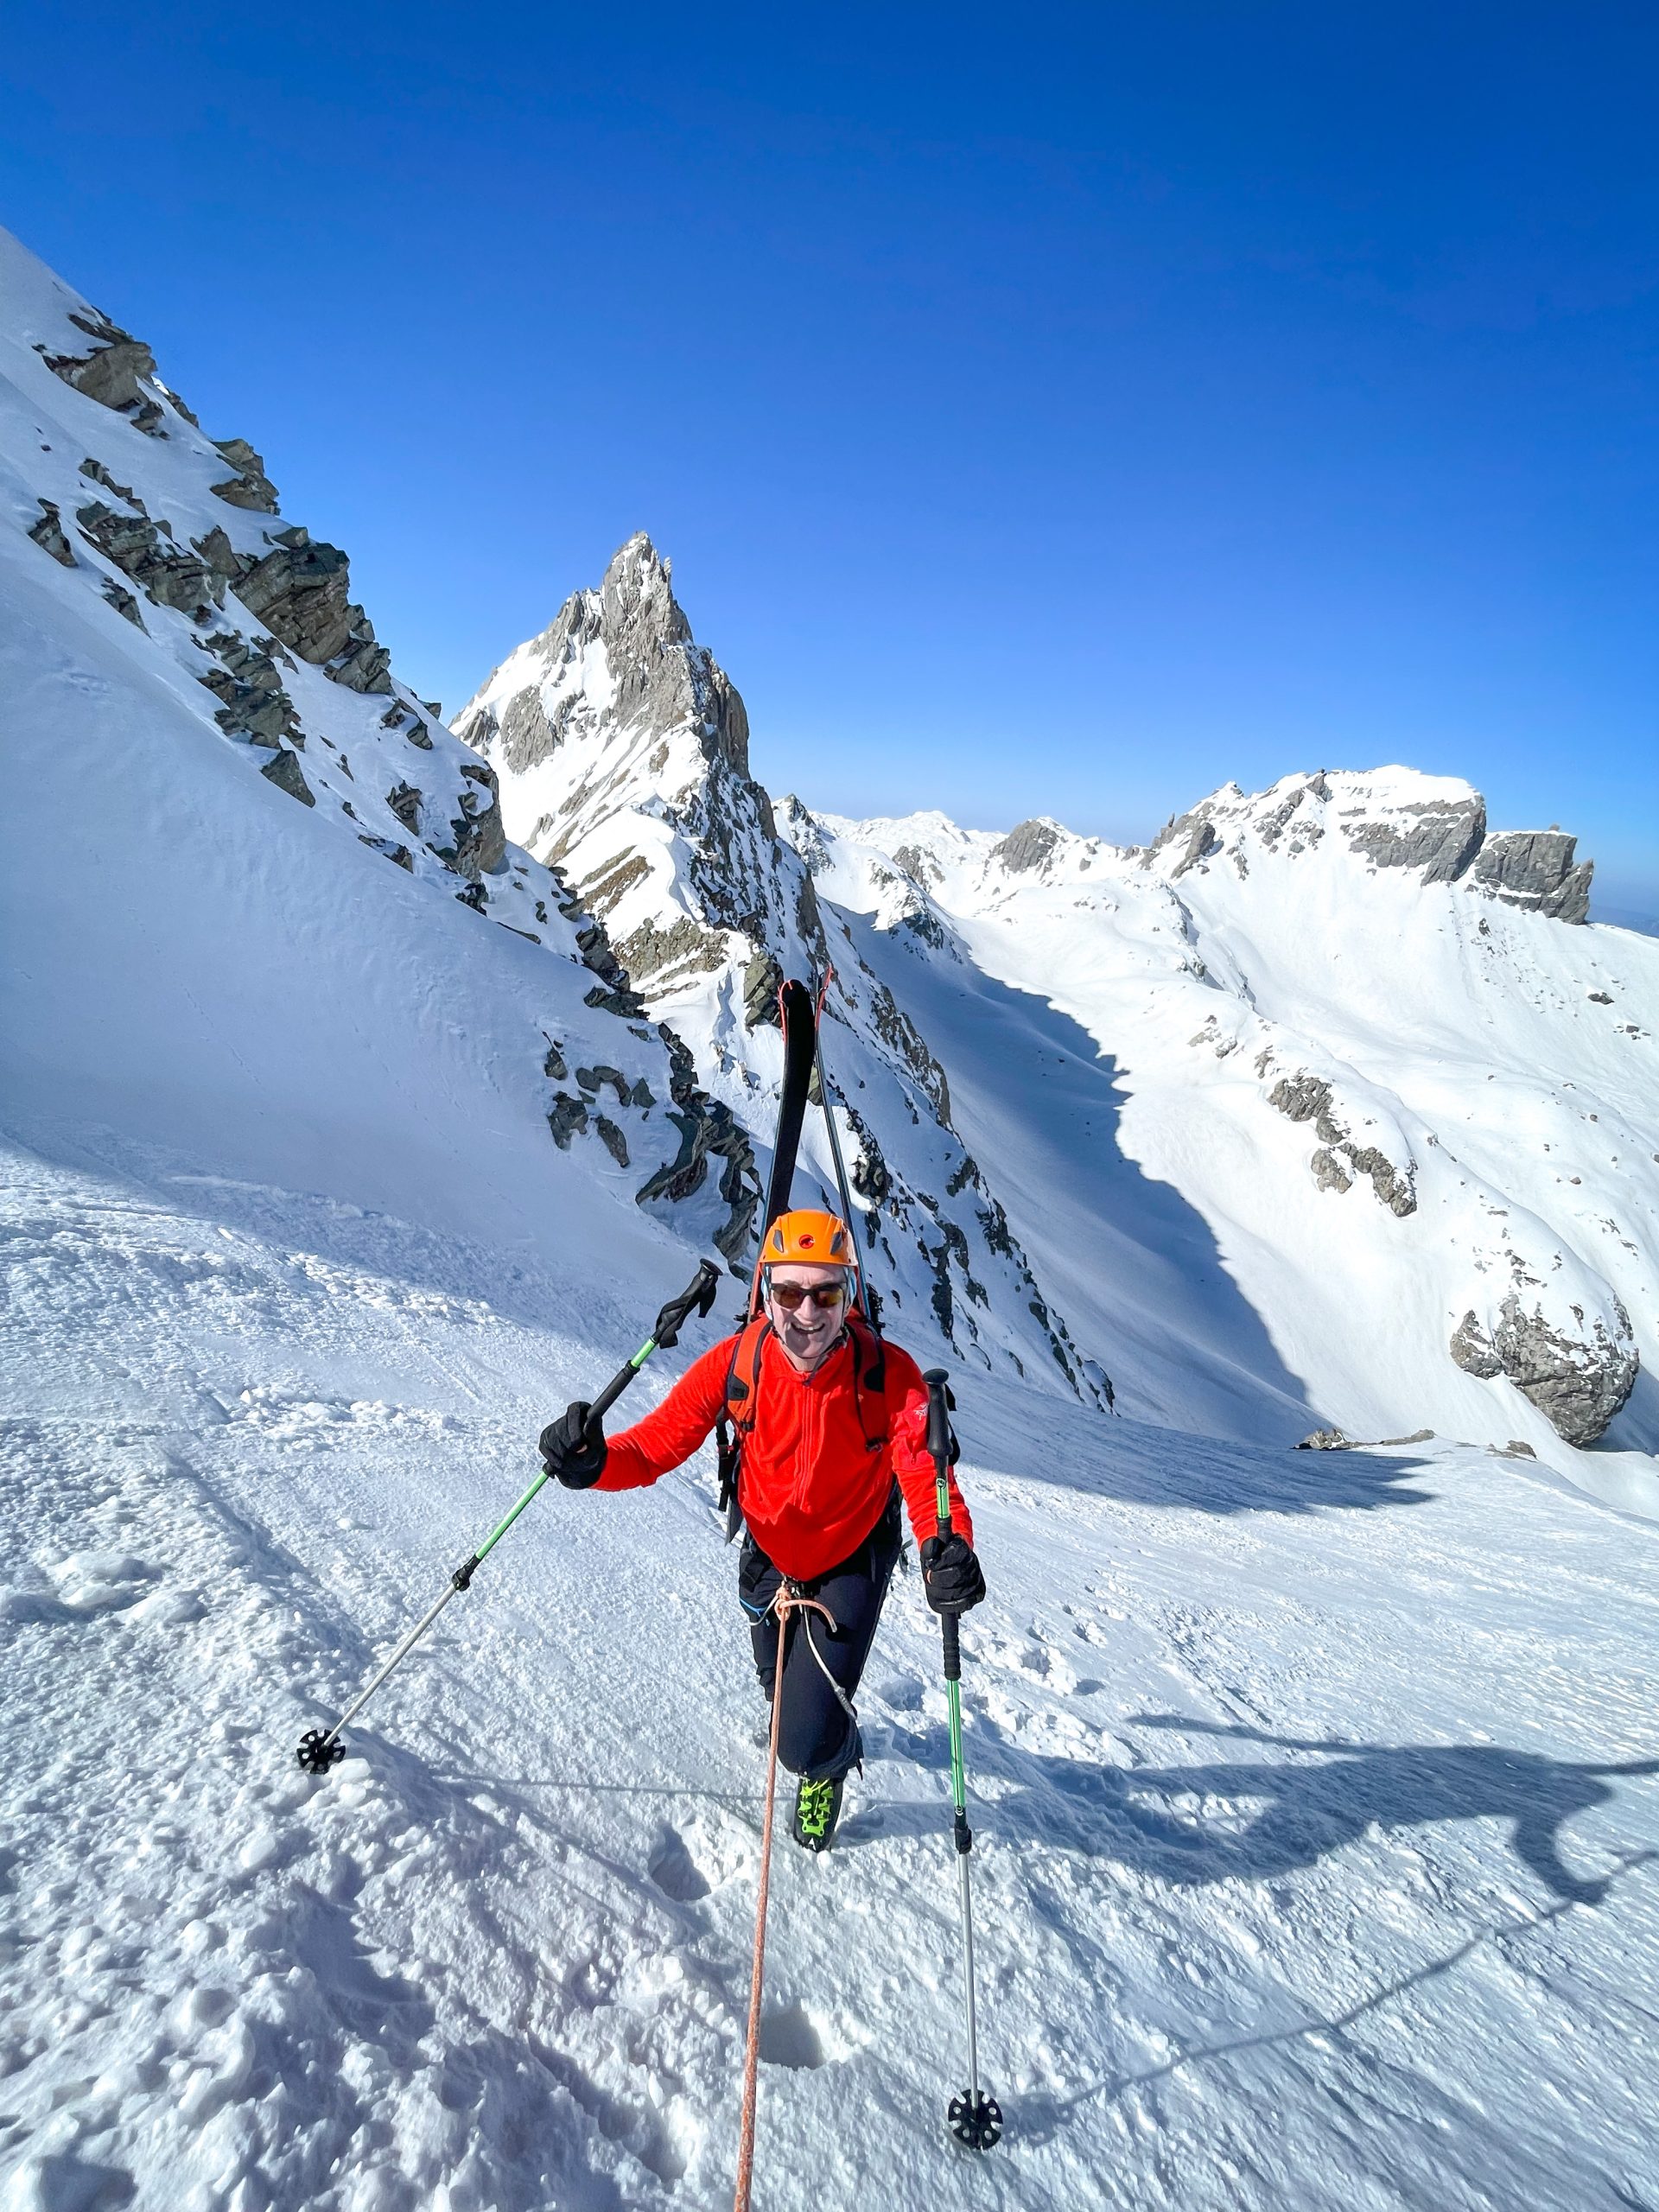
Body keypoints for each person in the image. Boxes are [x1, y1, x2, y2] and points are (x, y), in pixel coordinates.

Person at [537, 1209, 986, 1851]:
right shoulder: (736, 1363)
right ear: (766, 1293)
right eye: (789, 1292)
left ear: (848, 1295)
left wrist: (951, 1548)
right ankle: (808, 1720)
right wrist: (594, 1464)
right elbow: (654, 1448)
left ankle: (828, 1760)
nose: (808, 1312)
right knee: (778, 1690)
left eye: (826, 1292)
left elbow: (925, 1474)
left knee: (800, 1744)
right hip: (769, 1553)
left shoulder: (888, 1374)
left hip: (852, 1553)